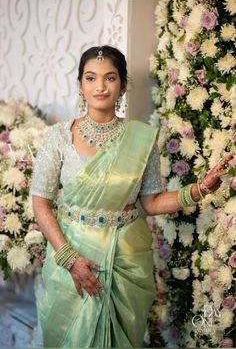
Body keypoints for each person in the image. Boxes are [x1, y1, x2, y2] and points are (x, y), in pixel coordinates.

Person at [30, 45, 233, 348]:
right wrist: (69, 259)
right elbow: (41, 203)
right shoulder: (59, 136)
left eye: (110, 78)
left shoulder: (140, 138)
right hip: (69, 257)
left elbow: (151, 202)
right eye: (91, 77)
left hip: (125, 259)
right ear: (80, 85)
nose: (100, 86)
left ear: (123, 85)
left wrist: (199, 188)